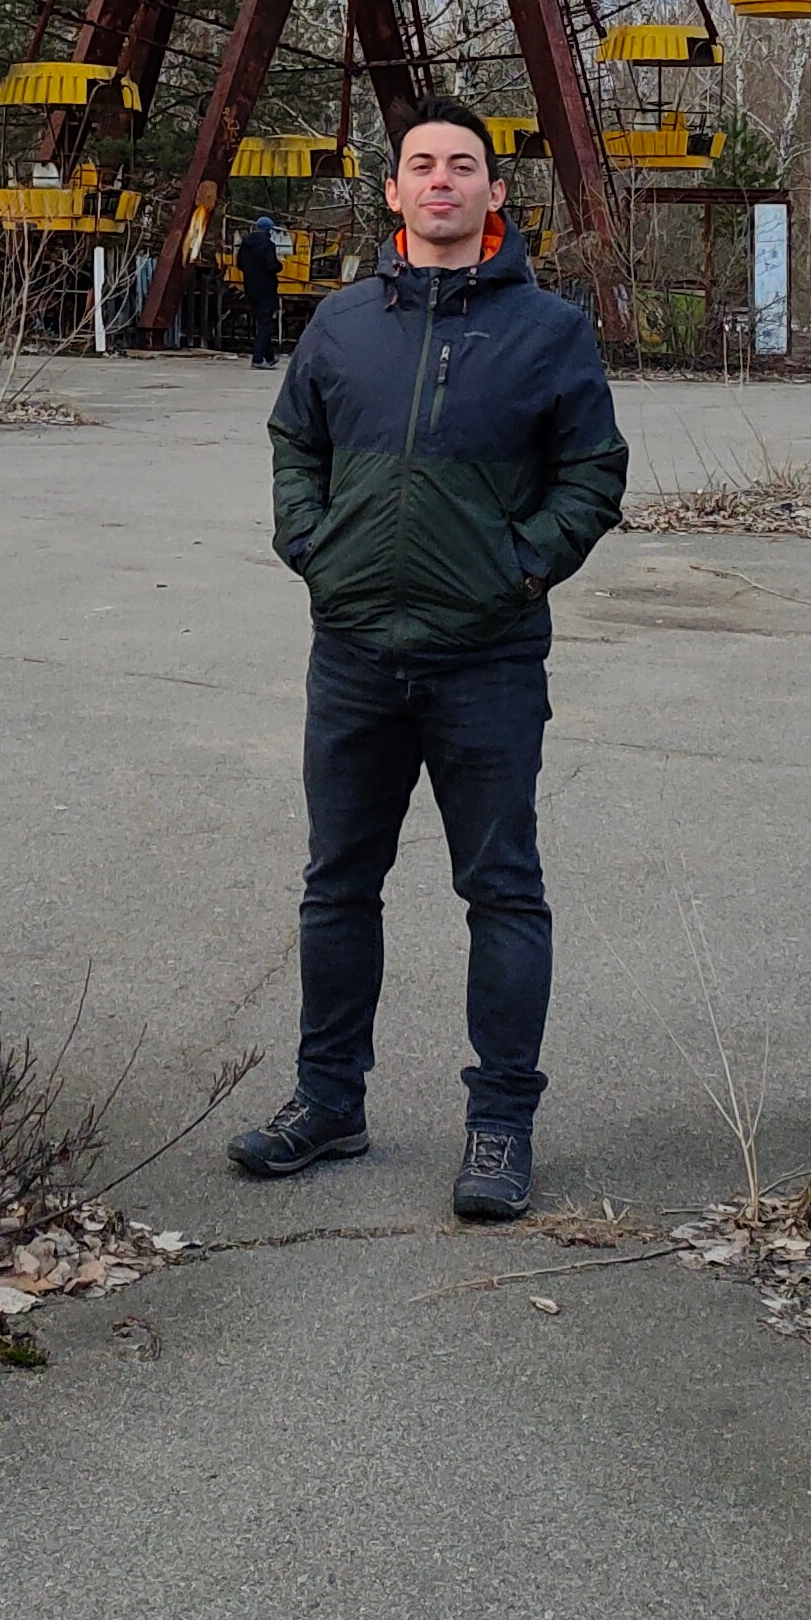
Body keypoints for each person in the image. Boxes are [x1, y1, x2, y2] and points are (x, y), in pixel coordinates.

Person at [229, 104, 628, 1225]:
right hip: (354, 652)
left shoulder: (549, 331)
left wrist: (519, 565)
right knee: (337, 884)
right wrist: (311, 543)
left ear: (497, 196)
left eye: (464, 166)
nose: (442, 181)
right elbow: (292, 440)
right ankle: (328, 1101)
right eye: (422, 165)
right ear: (393, 192)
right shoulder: (341, 323)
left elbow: (593, 472)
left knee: (501, 890)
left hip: (487, 660)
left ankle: (501, 1121)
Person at [236, 211, 286, 369]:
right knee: (265, 324)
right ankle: (257, 359)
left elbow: (239, 265)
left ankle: (269, 357)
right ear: (269, 230)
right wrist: (280, 266)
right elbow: (271, 266)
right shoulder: (268, 245)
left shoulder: (245, 244)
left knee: (261, 321)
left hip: (250, 287)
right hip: (266, 289)